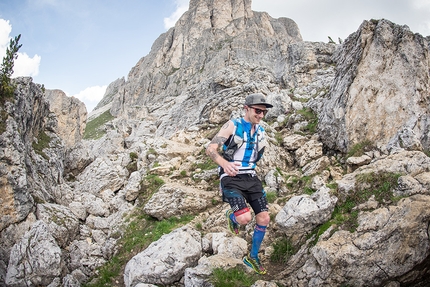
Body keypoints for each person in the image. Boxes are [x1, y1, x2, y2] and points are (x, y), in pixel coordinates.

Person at [206, 93, 272, 275]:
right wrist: (225, 164)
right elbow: (210, 148)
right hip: (231, 177)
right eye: (258, 111)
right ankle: (233, 216)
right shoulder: (232, 125)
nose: (261, 115)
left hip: (250, 177)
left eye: (263, 112)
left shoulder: (260, 131)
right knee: (245, 219)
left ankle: (253, 257)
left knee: (264, 218)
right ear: (246, 108)